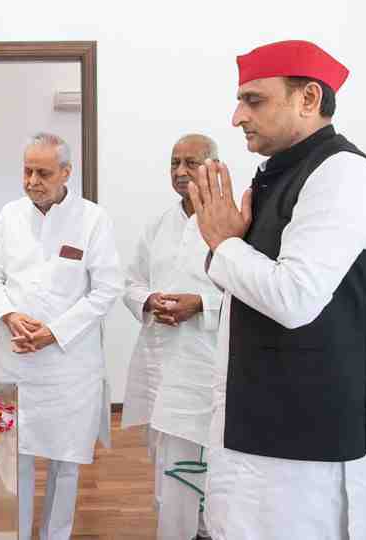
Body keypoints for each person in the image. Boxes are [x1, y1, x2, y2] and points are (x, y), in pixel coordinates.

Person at [187, 40, 366, 540]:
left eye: (254, 100)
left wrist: (224, 244)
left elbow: (294, 298)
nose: (237, 116)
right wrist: (228, 246)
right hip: (265, 429)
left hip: (310, 450)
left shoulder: (344, 175)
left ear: (308, 98)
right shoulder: (282, 175)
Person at [0, 132, 123, 540]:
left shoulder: (92, 219)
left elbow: (106, 289)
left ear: (66, 173)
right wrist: (9, 315)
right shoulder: (9, 216)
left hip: (68, 367)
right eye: (27, 171)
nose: (32, 181)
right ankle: (17, 534)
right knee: (16, 459)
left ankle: (55, 535)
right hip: (16, 361)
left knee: (66, 462)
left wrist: (55, 332)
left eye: (43, 173)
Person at [121, 134, 222, 540]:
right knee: (165, 463)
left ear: (212, 167)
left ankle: (204, 530)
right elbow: (131, 282)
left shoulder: (230, 224)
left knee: (202, 464)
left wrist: (200, 304)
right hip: (159, 360)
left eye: (191, 163)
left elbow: (246, 293)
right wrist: (149, 301)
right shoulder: (157, 226)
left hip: (204, 364)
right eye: (174, 163)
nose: (181, 172)